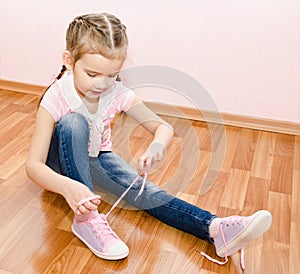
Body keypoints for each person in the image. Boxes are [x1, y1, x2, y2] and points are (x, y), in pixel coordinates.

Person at [26, 13, 272, 269]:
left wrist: (157, 147)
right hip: (60, 168)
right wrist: (68, 187)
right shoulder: (55, 97)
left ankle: (214, 228)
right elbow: (33, 166)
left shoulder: (116, 93)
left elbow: (162, 127)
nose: (102, 84)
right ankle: (87, 220)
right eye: (92, 73)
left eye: (112, 75)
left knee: (147, 192)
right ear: (69, 60)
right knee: (73, 123)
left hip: (97, 158)